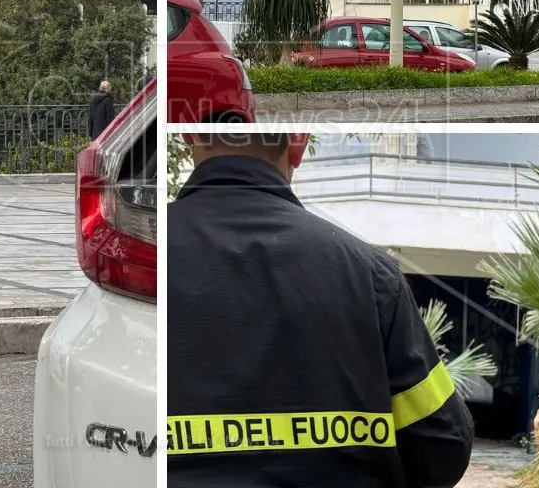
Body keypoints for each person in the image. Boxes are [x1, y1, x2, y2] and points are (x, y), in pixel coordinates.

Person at [168, 133, 474, 488]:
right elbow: (443, 446)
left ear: (188, 133)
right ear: (299, 143)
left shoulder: (143, 260)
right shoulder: (371, 275)